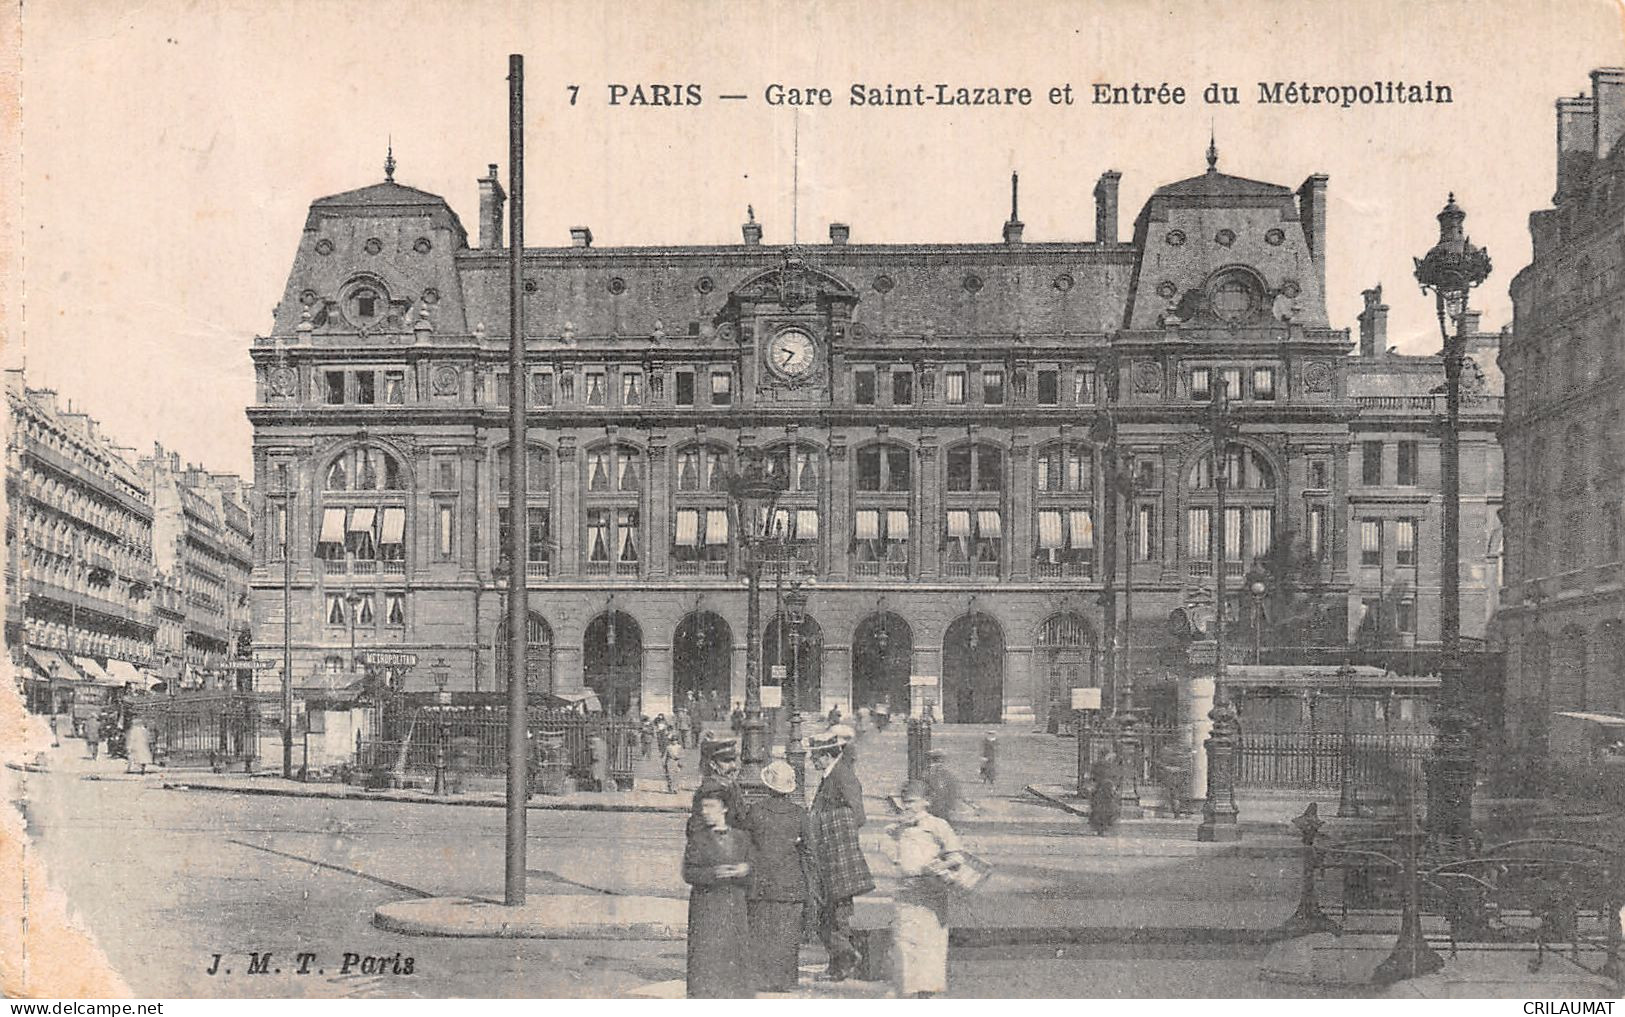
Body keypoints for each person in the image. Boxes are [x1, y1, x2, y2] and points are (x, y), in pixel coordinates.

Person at [880, 779, 965, 998]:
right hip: (906, 893)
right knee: (904, 944)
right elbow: (892, 856)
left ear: (926, 802)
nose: (907, 806)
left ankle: (926, 994)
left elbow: (956, 856)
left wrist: (938, 867)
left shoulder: (938, 825)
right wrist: (896, 832)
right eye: (905, 802)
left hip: (930, 893)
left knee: (930, 944)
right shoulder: (897, 829)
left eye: (912, 802)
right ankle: (906, 992)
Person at [808, 731, 873, 981]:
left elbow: (858, 815)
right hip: (827, 855)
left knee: (837, 912)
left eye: (815, 756)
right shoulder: (831, 775)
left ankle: (845, 957)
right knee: (830, 912)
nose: (811, 761)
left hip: (836, 856)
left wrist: (827, 828)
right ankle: (838, 964)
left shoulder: (843, 776)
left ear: (826, 756)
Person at [742, 761, 812, 993]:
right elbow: (810, 850)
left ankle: (760, 978)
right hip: (791, 884)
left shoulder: (755, 811)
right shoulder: (799, 815)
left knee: (761, 931)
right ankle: (784, 981)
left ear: (767, 786)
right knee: (787, 934)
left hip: (760, 883)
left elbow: (745, 844)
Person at [682, 787, 752, 998]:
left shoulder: (741, 838)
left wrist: (745, 870)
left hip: (733, 907)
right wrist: (713, 873)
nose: (705, 811)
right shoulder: (697, 839)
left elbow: (756, 868)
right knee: (705, 961)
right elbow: (688, 873)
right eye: (703, 807)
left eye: (711, 806)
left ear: (725, 809)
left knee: (733, 960)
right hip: (706, 908)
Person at [689, 737, 746, 832]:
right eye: (727, 761)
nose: (734, 766)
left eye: (734, 760)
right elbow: (696, 829)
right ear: (713, 764)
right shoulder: (711, 789)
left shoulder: (730, 784)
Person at [923, 748, 962, 822]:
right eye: (935, 761)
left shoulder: (947, 775)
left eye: (939, 761)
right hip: (933, 806)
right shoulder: (927, 775)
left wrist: (951, 806)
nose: (937, 764)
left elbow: (952, 791)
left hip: (942, 806)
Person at [1090, 753, 1121, 836]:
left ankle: (1099, 829)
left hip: (1101, 789)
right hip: (1105, 790)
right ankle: (1103, 828)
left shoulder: (1097, 765)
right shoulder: (1110, 766)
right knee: (1104, 810)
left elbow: (1093, 777)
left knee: (1099, 809)